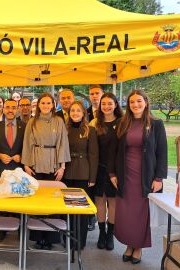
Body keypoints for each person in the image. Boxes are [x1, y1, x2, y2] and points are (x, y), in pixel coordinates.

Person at [112, 89, 167, 264]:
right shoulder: (122, 123)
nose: (135, 105)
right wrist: (113, 173)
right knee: (126, 213)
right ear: (128, 105)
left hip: (145, 176)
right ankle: (129, 245)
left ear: (146, 102)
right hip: (125, 174)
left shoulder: (156, 123)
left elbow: (162, 152)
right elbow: (115, 151)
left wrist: (159, 178)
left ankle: (138, 247)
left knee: (141, 213)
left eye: (139, 101)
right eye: (132, 102)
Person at [21, 93, 71, 250]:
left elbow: (63, 144)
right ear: (39, 105)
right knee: (36, 201)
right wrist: (26, 165)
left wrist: (62, 166)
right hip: (35, 162)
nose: (46, 105)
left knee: (51, 200)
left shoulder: (59, 121)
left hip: (53, 163)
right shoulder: (32, 121)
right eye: (43, 103)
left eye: (49, 103)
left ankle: (50, 237)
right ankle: (37, 238)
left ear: (53, 104)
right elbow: (27, 143)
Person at [0, 99, 26, 242]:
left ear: (17, 110)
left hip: (19, 169)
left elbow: (29, 146)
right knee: (3, 200)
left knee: (19, 199)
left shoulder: (24, 126)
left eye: (13, 107)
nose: (10, 110)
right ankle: (3, 229)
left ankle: (20, 228)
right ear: (3, 109)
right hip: (1, 168)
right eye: (7, 107)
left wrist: (21, 156)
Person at [90, 92, 123, 251]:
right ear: (99, 106)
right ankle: (101, 233)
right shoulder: (95, 123)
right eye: (104, 104)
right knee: (100, 201)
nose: (107, 106)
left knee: (113, 202)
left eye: (110, 103)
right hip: (98, 168)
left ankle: (110, 234)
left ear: (116, 104)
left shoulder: (123, 122)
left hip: (115, 170)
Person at [63, 101, 98, 250]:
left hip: (83, 173)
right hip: (67, 172)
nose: (75, 113)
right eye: (72, 111)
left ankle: (80, 241)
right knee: (67, 209)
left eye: (78, 111)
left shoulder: (90, 130)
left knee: (81, 210)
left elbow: (94, 154)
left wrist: (92, 177)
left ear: (84, 113)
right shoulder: (64, 129)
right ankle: (68, 240)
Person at [86, 85, 104, 230]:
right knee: (91, 191)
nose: (94, 96)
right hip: (89, 159)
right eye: (91, 93)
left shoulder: (111, 114)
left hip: (105, 160)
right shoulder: (84, 113)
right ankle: (90, 217)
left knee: (102, 195)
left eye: (97, 93)